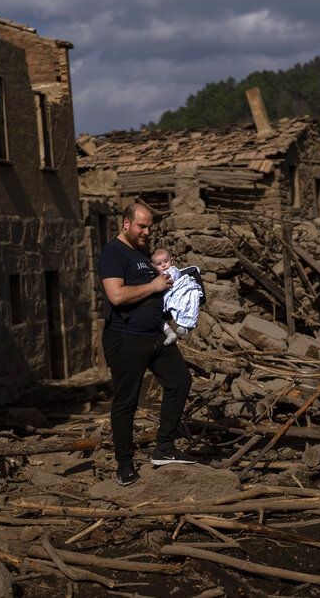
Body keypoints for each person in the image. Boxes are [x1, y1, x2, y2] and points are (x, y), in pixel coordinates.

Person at [97, 203, 195, 486]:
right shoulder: (112, 253)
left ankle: (164, 448)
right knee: (127, 401)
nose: (147, 231)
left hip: (156, 336)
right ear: (126, 224)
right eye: (142, 226)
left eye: (150, 226)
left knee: (180, 381)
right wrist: (153, 287)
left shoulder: (141, 254)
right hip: (126, 338)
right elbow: (116, 296)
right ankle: (124, 465)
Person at [151, 248, 204, 345]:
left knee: (186, 305)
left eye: (166, 262)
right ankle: (170, 333)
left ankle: (185, 327)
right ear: (154, 266)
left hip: (176, 292)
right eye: (159, 264)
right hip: (164, 298)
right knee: (155, 316)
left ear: (171, 261)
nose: (163, 265)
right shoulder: (156, 275)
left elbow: (171, 278)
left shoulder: (172, 270)